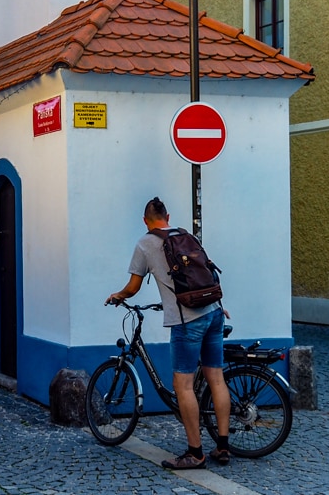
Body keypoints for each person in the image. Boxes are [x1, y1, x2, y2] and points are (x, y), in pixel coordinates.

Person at [106, 197, 231, 470]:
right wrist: (219, 306)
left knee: (183, 386)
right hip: (213, 312)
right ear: (168, 216)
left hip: (188, 319)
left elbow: (133, 287)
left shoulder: (145, 243)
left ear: (145, 220)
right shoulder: (185, 235)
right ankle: (222, 447)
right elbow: (207, 273)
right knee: (216, 379)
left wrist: (118, 295)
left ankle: (195, 453)